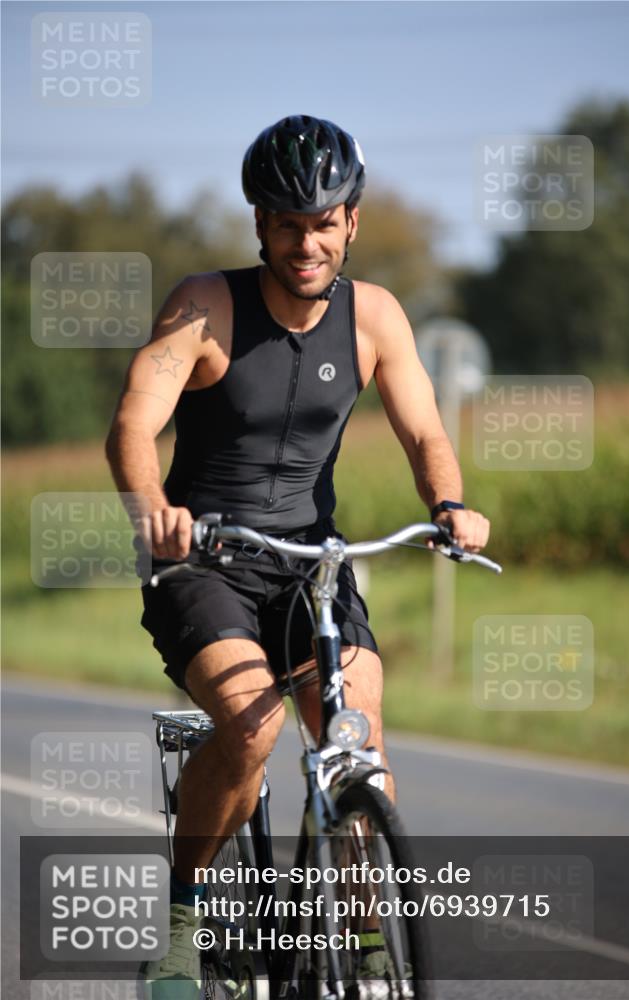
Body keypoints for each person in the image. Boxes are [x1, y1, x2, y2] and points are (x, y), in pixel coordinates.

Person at [106, 114, 490, 998]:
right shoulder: (205, 305)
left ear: (351, 221)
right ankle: (179, 919)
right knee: (251, 726)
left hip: (312, 567)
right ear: (259, 225)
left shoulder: (376, 317)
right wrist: (155, 510)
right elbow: (133, 420)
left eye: (323, 222)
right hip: (204, 561)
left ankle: (360, 939)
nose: (306, 242)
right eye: (286, 223)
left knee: (359, 747)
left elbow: (425, 429)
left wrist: (450, 504)